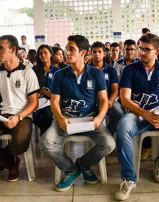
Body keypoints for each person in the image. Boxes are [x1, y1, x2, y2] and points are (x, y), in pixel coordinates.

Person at [40, 35, 115, 192]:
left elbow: (104, 100)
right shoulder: (60, 75)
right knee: (46, 142)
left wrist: (99, 119)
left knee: (109, 144)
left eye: (71, 49)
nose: (67, 53)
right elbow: (54, 102)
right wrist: (60, 118)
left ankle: (83, 164)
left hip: (90, 120)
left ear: (83, 53)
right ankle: (70, 169)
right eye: (67, 49)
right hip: (66, 120)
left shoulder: (96, 74)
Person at [115, 33, 159, 201]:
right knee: (122, 128)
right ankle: (129, 179)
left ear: (157, 51)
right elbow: (125, 100)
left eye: (146, 49)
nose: (141, 52)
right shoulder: (129, 69)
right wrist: (144, 113)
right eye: (140, 48)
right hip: (137, 115)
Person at [0, 35, 39, 182]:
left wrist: (18, 117)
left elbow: (34, 103)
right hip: (2, 115)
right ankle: (11, 163)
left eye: (1, 48)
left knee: (21, 142)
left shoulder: (27, 72)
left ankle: (5, 159)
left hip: (22, 116)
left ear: (13, 49)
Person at [90, 41, 124, 135]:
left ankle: (106, 134)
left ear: (104, 53)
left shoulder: (111, 70)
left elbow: (115, 90)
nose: (97, 54)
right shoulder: (86, 69)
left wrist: (109, 101)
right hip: (91, 102)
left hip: (108, 100)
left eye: (100, 52)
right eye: (94, 52)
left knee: (120, 115)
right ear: (91, 53)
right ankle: (96, 136)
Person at [32, 44, 59, 135]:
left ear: (51, 54)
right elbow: (31, 86)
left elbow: (60, 89)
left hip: (50, 101)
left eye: (45, 53)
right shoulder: (34, 70)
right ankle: (45, 134)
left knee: (47, 116)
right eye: (41, 53)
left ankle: (44, 135)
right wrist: (41, 91)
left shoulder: (56, 71)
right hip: (36, 100)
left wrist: (51, 95)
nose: (43, 55)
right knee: (33, 116)